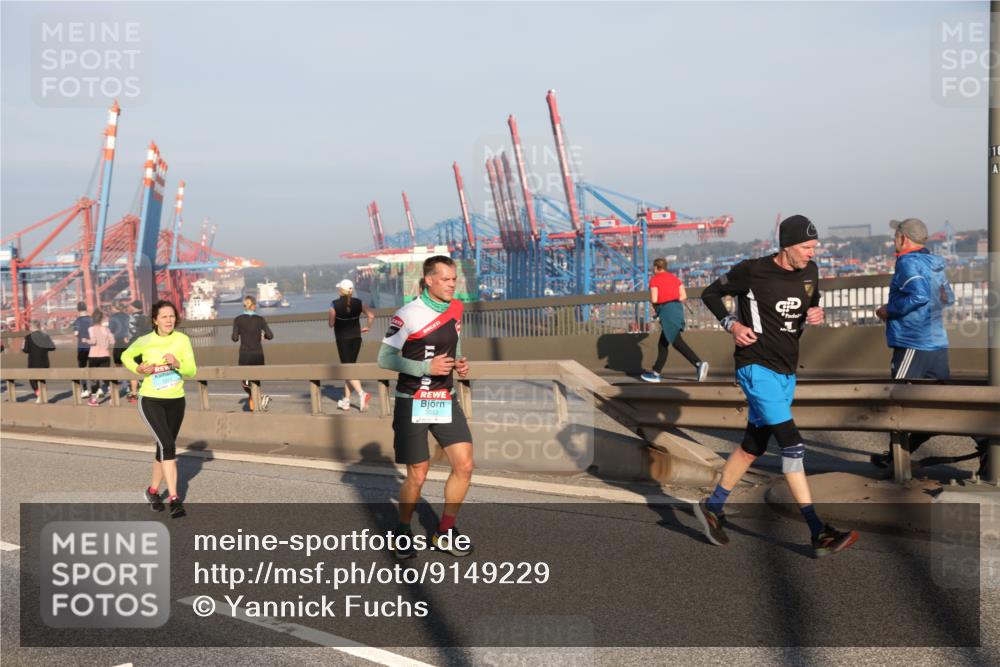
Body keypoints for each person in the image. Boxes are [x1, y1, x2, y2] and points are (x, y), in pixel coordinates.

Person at [697, 215, 858, 557]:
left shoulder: (811, 273)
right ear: (786, 246)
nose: (812, 253)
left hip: (786, 371)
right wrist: (732, 324)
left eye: (814, 247)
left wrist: (816, 312)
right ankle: (818, 530)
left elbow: (810, 304)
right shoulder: (752, 271)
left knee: (753, 446)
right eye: (806, 247)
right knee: (793, 447)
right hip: (755, 367)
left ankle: (713, 506)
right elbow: (710, 293)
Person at [377, 255, 474, 559]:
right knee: (418, 474)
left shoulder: (456, 308)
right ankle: (403, 531)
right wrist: (424, 367)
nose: (451, 285)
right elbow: (385, 359)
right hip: (413, 401)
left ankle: (444, 532)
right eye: (445, 279)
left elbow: (454, 341)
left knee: (465, 465)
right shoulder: (408, 314)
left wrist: (459, 362)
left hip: (444, 398)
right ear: (429, 280)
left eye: (454, 279)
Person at [869, 219, 985, 470]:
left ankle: (895, 461)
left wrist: (888, 310)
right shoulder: (934, 264)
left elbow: (919, 296)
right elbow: (948, 297)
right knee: (943, 403)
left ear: (902, 238)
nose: (893, 241)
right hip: (937, 344)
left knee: (897, 402)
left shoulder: (907, 262)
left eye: (895, 236)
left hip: (912, 343)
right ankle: (985, 442)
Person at [121, 300, 197, 518]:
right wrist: (137, 368)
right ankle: (175, 499)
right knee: (168, 445)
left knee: (163, 448)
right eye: (164, 317)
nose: (169, 320)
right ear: (155, 320)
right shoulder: (145, 341)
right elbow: (126, 355)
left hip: (176, 400)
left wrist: (177, 363)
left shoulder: (182, 340)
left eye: (172, 316)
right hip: (151, 399)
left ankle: (152, 492)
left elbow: (192, 370)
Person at [641, 257, 709, 383]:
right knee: (663, 344)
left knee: (677, 342)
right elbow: (683, 296)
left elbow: (654, 299)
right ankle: (656, 372)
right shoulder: (674, 278)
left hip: (667, 312)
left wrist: (656, 303)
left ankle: (699, 364)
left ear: (656, 267)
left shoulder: (655, 279)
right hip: (677, 310)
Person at [328, 278, 374, 411]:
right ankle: (346, 401)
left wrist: (336, 319)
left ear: (340, 290)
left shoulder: (334, 304)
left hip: (343, 339)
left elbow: (331, 324)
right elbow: (371, 315)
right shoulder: (359, 302)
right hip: (356, 338)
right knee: (351, 368)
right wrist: (367, 327)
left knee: (347, 369)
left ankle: (362, 394)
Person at [232, 295, 274, 412]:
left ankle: (260, 399)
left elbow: (234, 338)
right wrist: (263, 336)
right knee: (255, 382)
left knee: (245, 383)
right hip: (258, 355)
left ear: (245, 306)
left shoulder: (238, 320)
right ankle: (254, 409)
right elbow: (270, 335)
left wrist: (241, 332)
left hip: (245, 356)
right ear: (254, 306)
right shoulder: (260, 320)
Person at [84, 309, 115, 406]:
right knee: (106, 377)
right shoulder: (106, 329)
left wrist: (86, 340)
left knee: (94, 378)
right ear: (102, 319)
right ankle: (112, 396)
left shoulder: (91, 329)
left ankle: (93, 400)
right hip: (105, 355)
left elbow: (93, 341)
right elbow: (112, 341)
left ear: (93, 319)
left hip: (94, 356)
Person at [22, 321, 55, 403]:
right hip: (44, 362)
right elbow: (52, 348)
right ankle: (43, 396)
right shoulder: (45, 336)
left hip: (33, 362)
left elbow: (26, 350)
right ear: (39, 326)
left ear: (31, 327)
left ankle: (40, 395)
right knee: (41, 379)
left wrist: (22, 347)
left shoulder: (28, 337)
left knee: (32, 379)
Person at [125, 299, 151, 403]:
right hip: (145, 346)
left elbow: (130, 333)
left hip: (135, 347)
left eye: (130, 306)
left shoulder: (130, 319)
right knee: (145, 368)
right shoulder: (146, 318)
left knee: (134, 369)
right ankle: (147, 392)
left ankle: (134, 394)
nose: (129, 308)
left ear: (134, 307)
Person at [108, 301, 132, 397]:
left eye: (112, 308)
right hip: (128, 341)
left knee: (118, 363)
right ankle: (130, 384)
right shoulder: (127, 316)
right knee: (128, 363)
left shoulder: (113, 317)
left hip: (118, 341)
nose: (111, 309)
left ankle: (125, 385)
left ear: (115, 308)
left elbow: (111, 329)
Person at [71, 302, 92, 397]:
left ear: (78, 310)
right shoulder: (92, 319)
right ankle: (98, 388)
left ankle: (85, 390)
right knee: (94, 368)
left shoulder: (78, 321)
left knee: (82, 368)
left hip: (82, 347)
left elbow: (76, 333)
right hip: (93, 346)